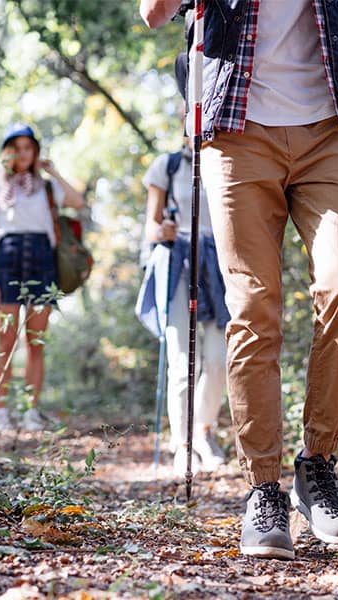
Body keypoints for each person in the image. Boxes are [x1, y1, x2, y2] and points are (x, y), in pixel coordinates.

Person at [140, 0, 338, 559]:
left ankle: (316, 467)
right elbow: (153, 13)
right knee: (253, 306)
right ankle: (263, 488)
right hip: (235, 132)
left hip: (329, 131)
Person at [139, 53, 230, 476]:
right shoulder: (168, 165)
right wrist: (164, 232)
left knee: (217, 359)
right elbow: (152, 227)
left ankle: (205, 431)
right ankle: (181, 445)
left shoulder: (229, 160)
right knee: (181, 358)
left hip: (220, 264)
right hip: (177, 264)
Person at [0, 123, 86, 432]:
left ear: (35, 151)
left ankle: (30, 410)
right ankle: (0, 411)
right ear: (8, 151)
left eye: (29, 147)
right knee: (5, 341)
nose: (24, 153)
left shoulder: (46, 187)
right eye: (17, 147)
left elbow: (78, 202)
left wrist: (53, 172)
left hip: (42, 260)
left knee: (35, 341)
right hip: (7, 260)